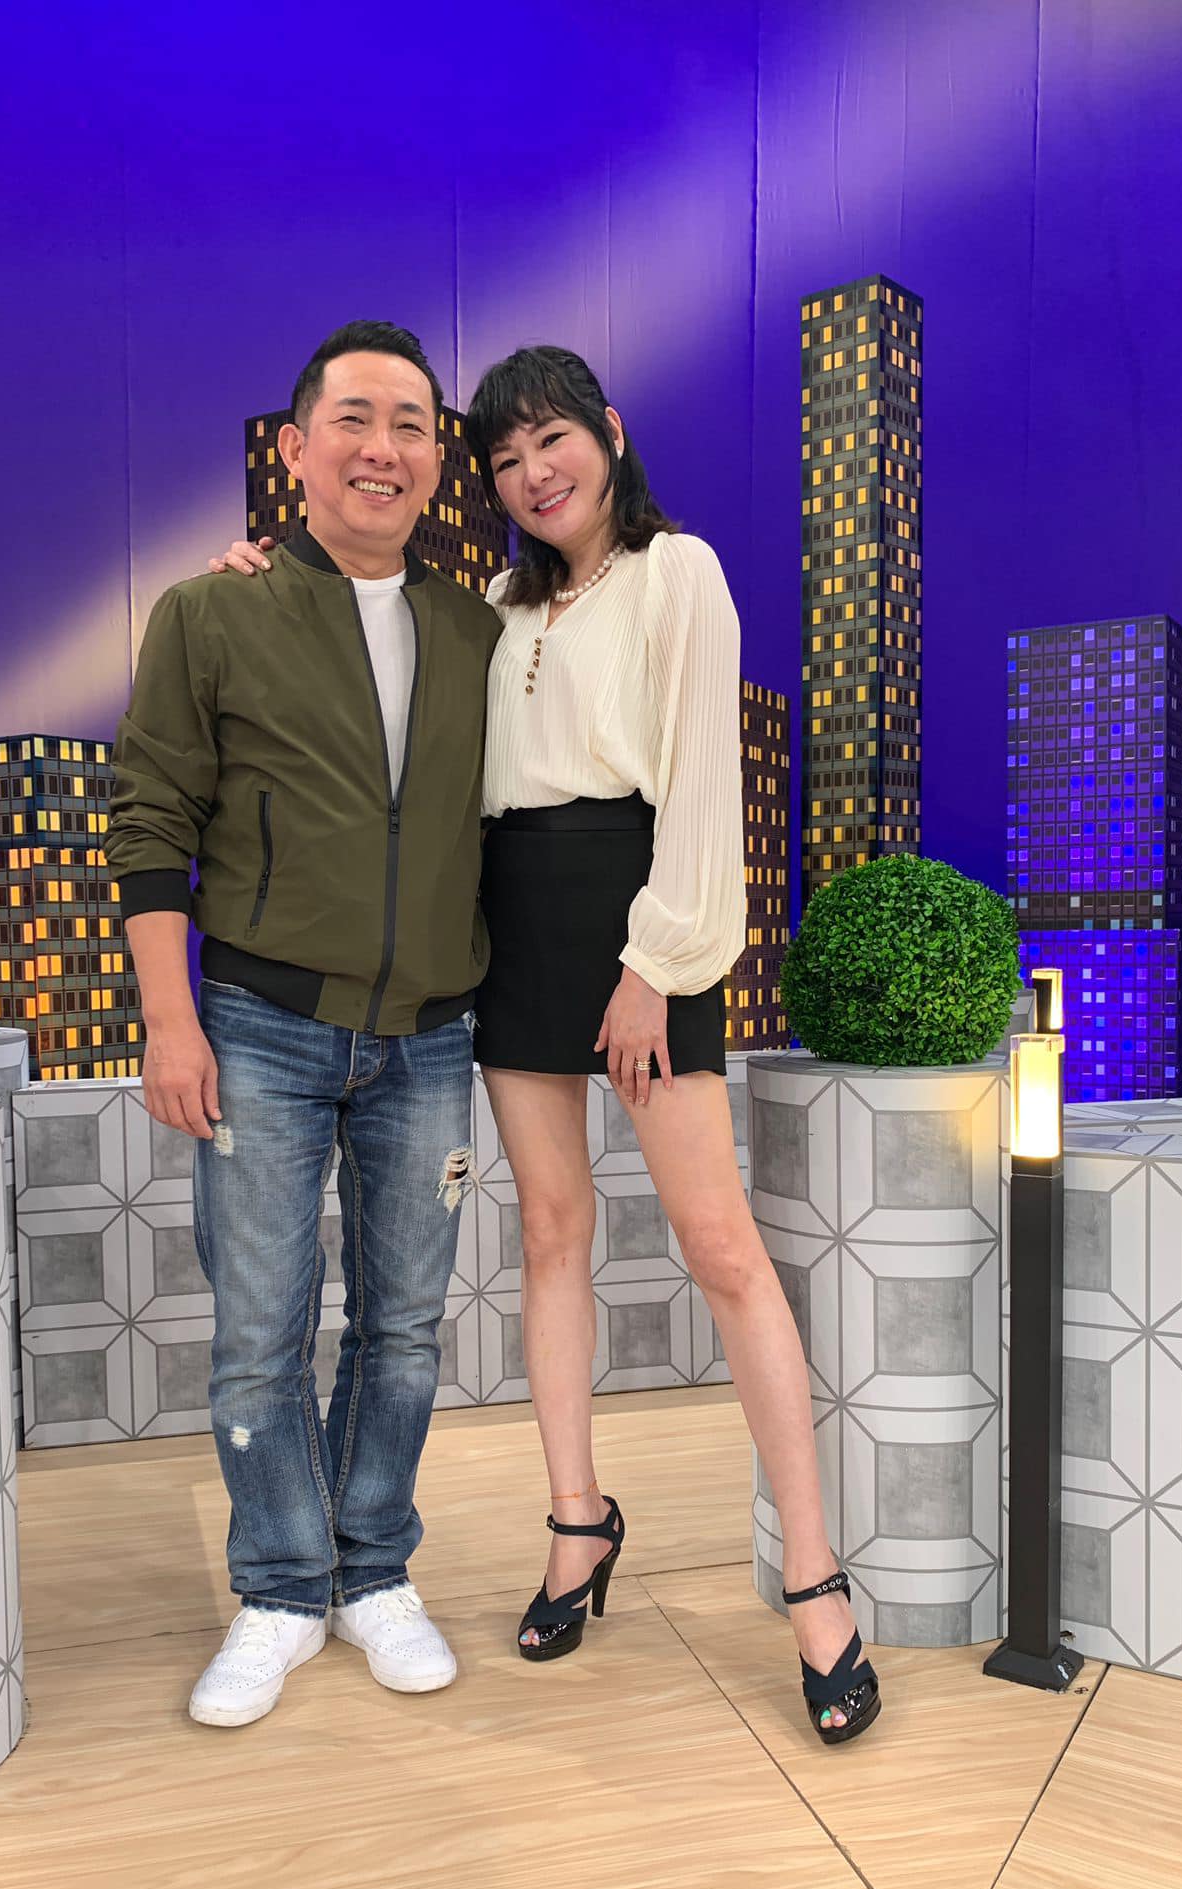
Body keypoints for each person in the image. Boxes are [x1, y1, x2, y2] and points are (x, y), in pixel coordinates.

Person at [211, 344, 880, 1744]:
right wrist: (259, 577)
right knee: (550, 1237)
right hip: (509, 930)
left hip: (641, 924)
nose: (532, 474)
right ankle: (578, 1523)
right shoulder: (498, 609)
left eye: (552, 442)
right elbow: (365, 641)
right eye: (505, 459)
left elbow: (703, 789)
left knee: (722, 1250)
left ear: (609, 434)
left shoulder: (677, 572)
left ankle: (816, 1577)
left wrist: (652, 969)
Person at [107, 320, 500, 1727]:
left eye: (411, 424)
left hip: (430, 1039)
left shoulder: (481, 631)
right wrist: (169, 1021)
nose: (382, 448)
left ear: (438, 458)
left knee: (405, 1330)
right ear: (295, 447)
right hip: (258, 1027)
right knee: (259, 1333)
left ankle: (372, 1569)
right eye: (353, 419)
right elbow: (149, 823)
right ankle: (281, 1588)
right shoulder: (211, 613)